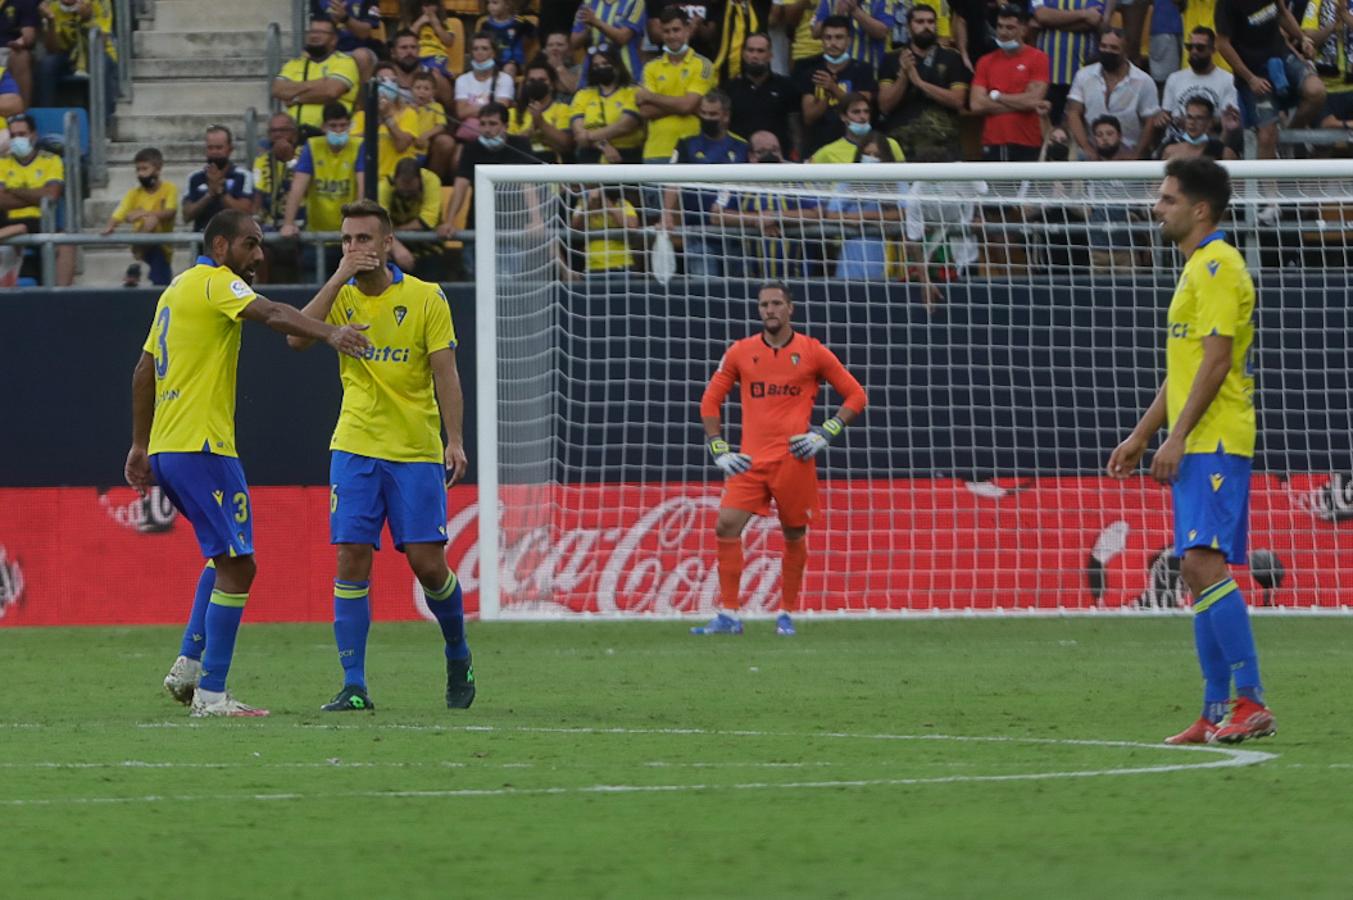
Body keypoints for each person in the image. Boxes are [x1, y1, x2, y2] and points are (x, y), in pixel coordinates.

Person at [129, 209, 370, 717]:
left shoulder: (175, 290)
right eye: (250, 244)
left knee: (226, 558)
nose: (259, 255)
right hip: (202, 446)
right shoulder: (216, 283)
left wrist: (138, 444)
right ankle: (211, 694)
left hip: (174, 447)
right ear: (221, 246)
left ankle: (190, 668)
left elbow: (144, 369)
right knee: (240, 567)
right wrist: (331, 334)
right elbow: (275, 315)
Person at [1107, 157, 1276, 747]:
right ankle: (1213, 710)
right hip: (1197, 437)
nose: (1158, 207)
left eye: (1168, 199)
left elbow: (1218, 360)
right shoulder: (1195, 269)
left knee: (1204, 565)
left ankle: (1250, 700)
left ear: (1199, 209)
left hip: (1217, 439)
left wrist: (1177, 438)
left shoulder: (1220, 265)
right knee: (1192, 567)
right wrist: (1143, 433)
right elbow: (1183, 372)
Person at [283, 199, 474, 713]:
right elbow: (294, 338)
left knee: (427, 565)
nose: (354, 248)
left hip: (413, 448)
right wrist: (338, 276)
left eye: (364, 239)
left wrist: (453, 440)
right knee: (351, 556)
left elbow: (445, 374)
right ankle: (354, 684)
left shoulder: (427, 298)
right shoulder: (341, 300)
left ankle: (457, 650)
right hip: (355, 445)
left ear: (388, 243)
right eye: (346, 240)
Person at [696, 281, 868, 636]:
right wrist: (718, 447)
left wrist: (826, 432)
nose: (769, 310)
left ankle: (786, 613)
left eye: (776, 304)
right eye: (763, 305)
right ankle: (729, 614)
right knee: (726, 525)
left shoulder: (813, 351)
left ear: (790, 308)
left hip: (794, 459)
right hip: (749, 461)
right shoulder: (741, 351)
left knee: (793, 533)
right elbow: (709, 401)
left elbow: (856, 395)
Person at [1214, 0, 1324, 159]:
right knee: (1267, 136)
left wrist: (1302, 38)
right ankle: (1268, 183)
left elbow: (1282, 13)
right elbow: (1222, 44)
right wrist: (1250, 79)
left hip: (1281, 57)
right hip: (1254, 71)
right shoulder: (1226, 4)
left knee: (1316, 91)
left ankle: (1288, 137)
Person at [662, 89, 748, 277]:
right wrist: (667, 212)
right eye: (704, 113)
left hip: (736, 235)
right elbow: (673, 181)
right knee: (707, 290)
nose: (707, 118)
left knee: (739, 292)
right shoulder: (686, 145)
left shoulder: (741, 147)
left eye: (713, 114)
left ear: (725, 116)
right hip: (697, 233)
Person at [282, 102, 365, 275]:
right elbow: (297, 187)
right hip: (316, 236)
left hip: (350, 240)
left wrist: (359, 226)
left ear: (349, 126)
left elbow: (362, 189)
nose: (338, 131)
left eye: (343, 126)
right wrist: (288, 223)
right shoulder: (312, 147)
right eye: (333, 126)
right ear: (323, 126)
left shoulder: (359, 146)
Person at [878, 4, 970, 160]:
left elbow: (958, 100)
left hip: (944, 143)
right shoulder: (892, 58)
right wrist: (904, 76)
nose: (926, 26)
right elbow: (884, 105)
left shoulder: (951, 57)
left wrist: (920, 83)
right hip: (902, 143)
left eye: (930, 22)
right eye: (919, 22)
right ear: (908, 26)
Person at [0, 113, 74, 285]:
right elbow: (1, 201)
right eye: (13, 136)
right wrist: (36, 195)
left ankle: (61, 299)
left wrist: (12, 190)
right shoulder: (2, 163)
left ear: (34, 135)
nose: (17, 139)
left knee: (66, 243)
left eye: (22, 134)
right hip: (7, 220)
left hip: (41, 221)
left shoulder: (51, 160)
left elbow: (52, 195)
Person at [970, 5, 1051, 162]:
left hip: (1027, 141)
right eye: (999, 26)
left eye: (1010, 27)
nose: (1003, 33)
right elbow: (976, 104)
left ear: (1023, 30)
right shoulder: (985, 62)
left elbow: (1033, 100)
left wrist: (995, 96)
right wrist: (1020, 102)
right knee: (995, 187)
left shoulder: (1039, 58)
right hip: (993, 141)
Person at [637, 7, 717, 164]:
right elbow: (645, 110)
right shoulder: (651, 67)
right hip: (656, 151)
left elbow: (687, 106)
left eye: (676, 30)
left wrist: (651, 97)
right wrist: (684, 105)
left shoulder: (703, 65)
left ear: (687, 30)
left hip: (693, 150)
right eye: (666, 31)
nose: (672, 36)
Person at [1066, 29, 1162, 157]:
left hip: (1129, 151)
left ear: (1126, 51)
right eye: (1103, 46)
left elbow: (1150, 122)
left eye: (1114, 48)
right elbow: (1073, 112)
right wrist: (1087, 149)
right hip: (1091, 149)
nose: (1107, 51)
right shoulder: (1083, 75)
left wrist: (1135, 155)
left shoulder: (1144, 81)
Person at [793, 14, 878, 156]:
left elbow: (861, 107)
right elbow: (809, 117)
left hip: (855, 146)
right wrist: (826, 97)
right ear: (822, 40)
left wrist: (833, 87)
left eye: (839, 37)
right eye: (828, 37)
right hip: (818, 144)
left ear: (848, 41)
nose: (833, 43)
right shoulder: (809, 71)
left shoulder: (863, 69)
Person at [102, 147, 178, 287]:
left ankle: (136, 265)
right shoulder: (134, 193)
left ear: (158, 169)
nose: (140, 174)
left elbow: (170, 211)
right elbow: (121, 212)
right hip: (142, 244)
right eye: (138, 170)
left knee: (152, 221)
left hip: (163, 246)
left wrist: (142, 213)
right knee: (151, 222)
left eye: (144, 169)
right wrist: (110, 226)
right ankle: (137, 263)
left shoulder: (169, 189)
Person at [272, 18, 360, 136]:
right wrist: (317, 83)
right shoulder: (295, 63)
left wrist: (295, 98)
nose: (314, 36)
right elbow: (277, 89)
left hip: (331, 133)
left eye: (321, 33)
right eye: (312, 32)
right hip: (295, 134)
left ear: (334, 39)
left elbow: (331, 92)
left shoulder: (345, 62)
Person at [723, 31, 802, 159]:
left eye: (760, 51)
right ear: (743, 54)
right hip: (739, 159)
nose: (754, 56)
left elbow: (795, 126)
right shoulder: (730, 88)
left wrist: (797, 155)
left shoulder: (786, 87)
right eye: (750, 50)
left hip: (777, 159)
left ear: (770, 55)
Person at [1159, 28, 1241, 139]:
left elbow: (1229, 119)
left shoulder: (1228, 80)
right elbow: (1166, 114)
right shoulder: (1174, 79)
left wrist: (1192, 121)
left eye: (1200, 48)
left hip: (1212, 142)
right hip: (1177, 140)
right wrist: (1163, 118)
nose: (1194, 51)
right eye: (1190, 47)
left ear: (1213, 50)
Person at [570, 45, 646, 164]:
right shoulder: (582, 95)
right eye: (596, 66)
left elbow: (625, 126)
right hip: (591, 156)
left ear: (617, 65)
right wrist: (603, 145)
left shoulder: (633, 92)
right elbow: (579, 134)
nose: (601, 67)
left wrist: (589, 136)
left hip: (628, 155)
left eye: (606, 63)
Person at [1031, 0, 1103, 125]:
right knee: (1047, 130)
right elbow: (1042, 15)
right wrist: (1084, 13)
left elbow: (1094, 20)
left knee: (1079, 130)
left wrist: (1049, 22)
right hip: (1047, 74)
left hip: (1084, 73)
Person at [349, 63, 420, 181]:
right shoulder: (361, 116)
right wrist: (377, 120)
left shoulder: (409, 113)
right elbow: (353, 146)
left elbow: (401, 145)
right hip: (368, 179)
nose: (388, 84)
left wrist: (387, 117)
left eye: (392, 80)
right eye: (382, 80)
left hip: (396, 180)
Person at [379, 156, 445, 279]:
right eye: (403, 191)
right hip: (394, 247)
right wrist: (396, 246)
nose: (406, 194)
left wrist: (395, 231)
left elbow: (427, 221)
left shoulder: (431, 181)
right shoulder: (384, 186)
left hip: (428, 245)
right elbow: (381, 223)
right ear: (395, 180)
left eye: (411, 191)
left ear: (420, 180)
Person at [182, 125, 253, 233]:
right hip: (203, 241)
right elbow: (186, 216)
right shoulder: (194, 177)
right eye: (210, 148)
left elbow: (245, 212)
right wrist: (209, 195)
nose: (214, 152)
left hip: (234, 240)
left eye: (219, 148)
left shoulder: (243, 176)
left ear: (230, 149)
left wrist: (222, 193)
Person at [454, 32, 516, 145]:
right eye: (475, 49)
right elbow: (461, 112)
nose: (479, 52)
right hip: (469, 136)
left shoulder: (504, 79)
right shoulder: (462, 80)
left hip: (496, 133)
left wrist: (472, 109)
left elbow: (501, 110)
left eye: (484, 48)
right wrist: (490, 104)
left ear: (493, 53)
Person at [509, 58, 577, 163]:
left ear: (552, 84)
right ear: (525, 84)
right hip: (521, 167)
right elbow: (509, 147)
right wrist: (528, 133)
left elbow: (567, 144)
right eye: (532, 80)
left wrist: (541, 123)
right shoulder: (513, 113)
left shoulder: (564, 109)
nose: (537, 84)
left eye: (542, 80)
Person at [571, 0, 648, 85]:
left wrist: (596, 22)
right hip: (592, 72)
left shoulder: (635, 2)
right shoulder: (588, 2)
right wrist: (587, 30)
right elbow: (574, 43)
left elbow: (622, 38)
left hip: (626, 72)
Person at [309, 0, 383, 83]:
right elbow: (314, 29)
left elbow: (364, 33)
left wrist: (345, 18)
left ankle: (363, 95)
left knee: (362, 56)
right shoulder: (316, 2)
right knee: (306, 54)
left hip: (357, 49)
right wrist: (333, 21)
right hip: (325, 49)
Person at [571, 185, 640, 273]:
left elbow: (632, 225)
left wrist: (609, 206)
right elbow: (575, 227)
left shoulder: (622, 203)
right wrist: (590, 205)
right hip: (593, 266)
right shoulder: (583, 204)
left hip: (622, 264)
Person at [811, 0, 896, 70]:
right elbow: (815, 33)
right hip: (835, 70)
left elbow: (881, 32)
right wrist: (836, 15)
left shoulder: (881, 1)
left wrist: (854, 10)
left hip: (870, 70)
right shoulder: (829, 1)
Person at [1160, 96, 1237, 158]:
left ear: (1209, 122)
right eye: (1189, 117)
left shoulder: (1224, 153)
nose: (1192, 122)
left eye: (1199, 118)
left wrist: (1227, 131)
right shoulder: (1170, 151)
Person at [478, 0, 535, 77]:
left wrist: (523, 45)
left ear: (507, 5)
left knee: (509, 68)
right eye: (488, 3)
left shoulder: (519, 22)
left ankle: (507, 88)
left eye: (495, 2)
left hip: (512, 61)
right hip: (492, 60)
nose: (490, 6)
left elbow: (534, 33)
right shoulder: (485, 24)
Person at [0, 0, 37, 106]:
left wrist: (21, 42)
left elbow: (29, 36)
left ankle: (21, 112)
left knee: (21, 56)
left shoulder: (24, 2)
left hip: (9, 50)